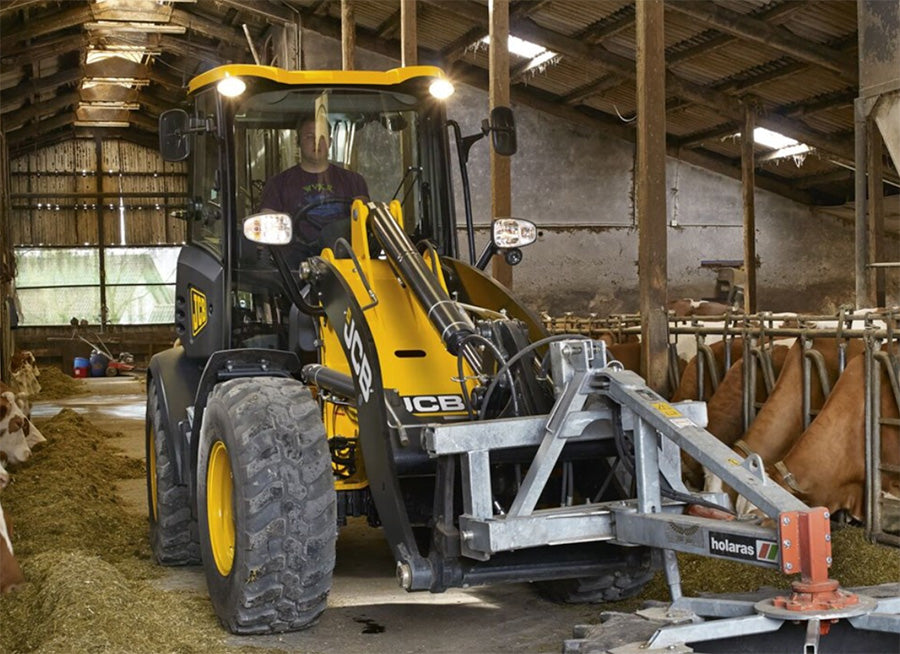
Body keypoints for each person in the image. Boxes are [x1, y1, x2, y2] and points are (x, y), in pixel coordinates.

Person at [260, 116, 368, 265]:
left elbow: (363, 222)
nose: (316, 142)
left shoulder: (353, 181)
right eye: (309, 136)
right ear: (298, 142)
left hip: (345, 264)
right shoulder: (278, 184)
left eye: (321, 137)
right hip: (294, 269)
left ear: (330, 141)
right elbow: (268, 224)